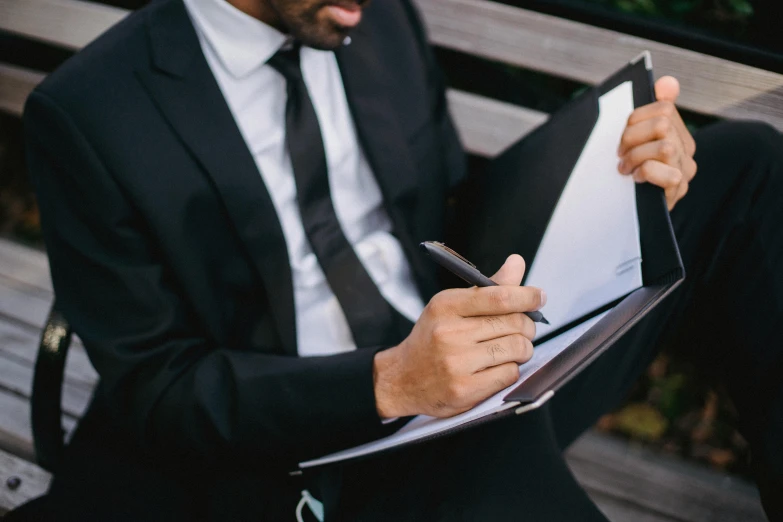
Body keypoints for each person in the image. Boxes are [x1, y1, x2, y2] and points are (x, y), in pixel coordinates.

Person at [9, 0, 783, 519]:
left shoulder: (366, 21)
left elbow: (449, 207)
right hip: (315, 430)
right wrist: (390, 382)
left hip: (467, 359)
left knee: (745, 162)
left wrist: (627, 188)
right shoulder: (90, 112)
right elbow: (158, 388)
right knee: (486, 449)